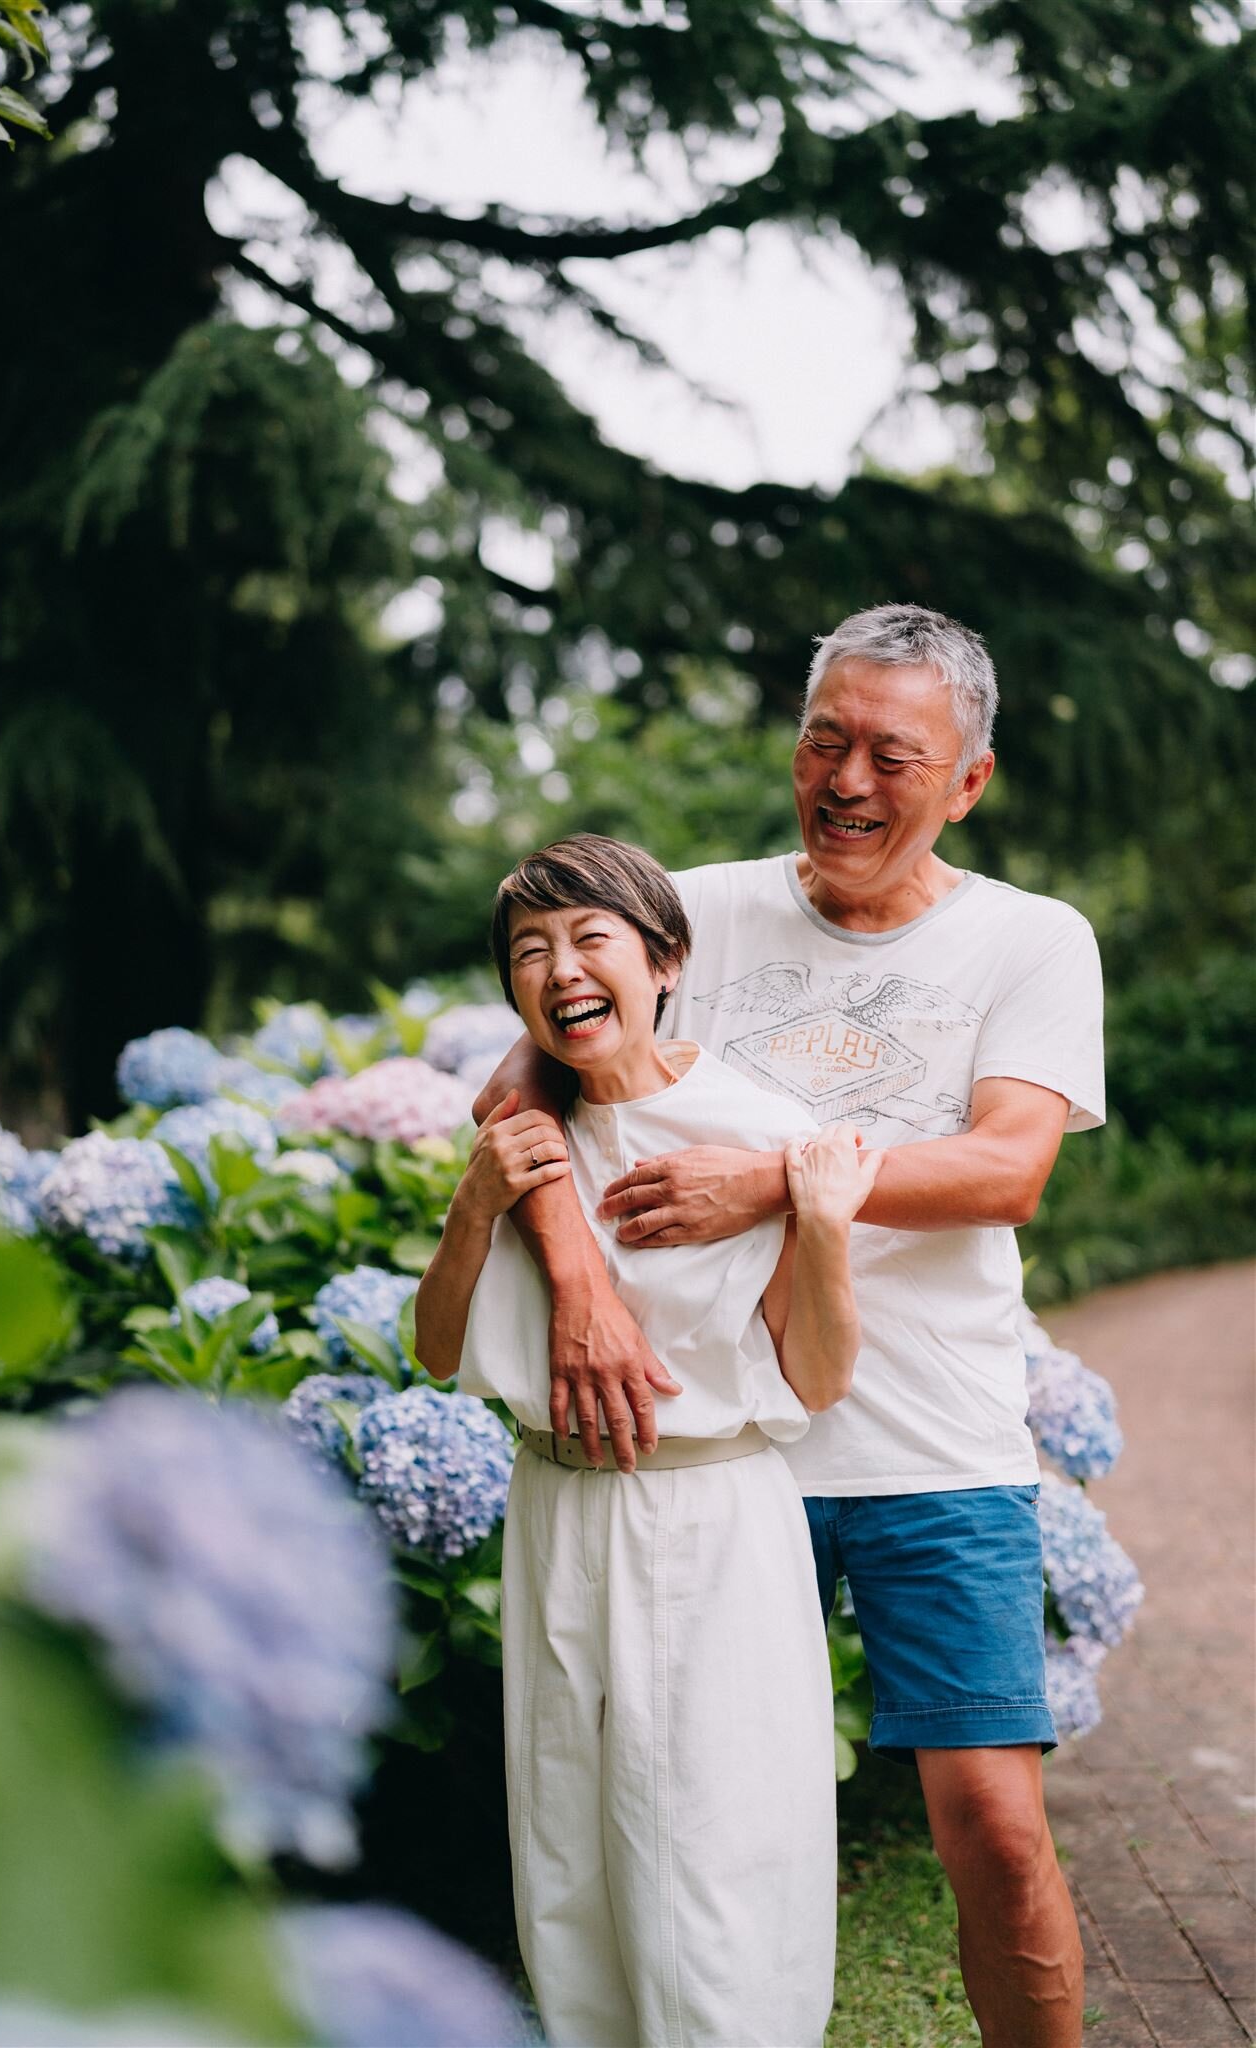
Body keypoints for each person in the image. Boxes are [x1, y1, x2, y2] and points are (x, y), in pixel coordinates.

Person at [476, 605, 1105, 2048]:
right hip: (715, 1461)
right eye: (826, 737)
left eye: (894, 754)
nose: (847, 780)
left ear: (967, 782)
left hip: (928, 1443)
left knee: (995, 1832)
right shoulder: (683, 912)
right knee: (679, 1833)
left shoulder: (1028, 940)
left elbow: (1007, 1170)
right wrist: (575, 1284)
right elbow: (514, 1099)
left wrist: (764, 1177)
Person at [415, 833, 880, 2048]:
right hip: (555, 1506)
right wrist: (477, 1201)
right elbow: (434, 1344)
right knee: (567, 1846)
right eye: (530, 951)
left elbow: (817, 1375)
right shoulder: (521, 1133)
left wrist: (819, 1223)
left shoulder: (754, 1126)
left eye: (589, 939)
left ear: (665, 959)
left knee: (710, 1853)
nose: (560, 968)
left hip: (709, 1512)